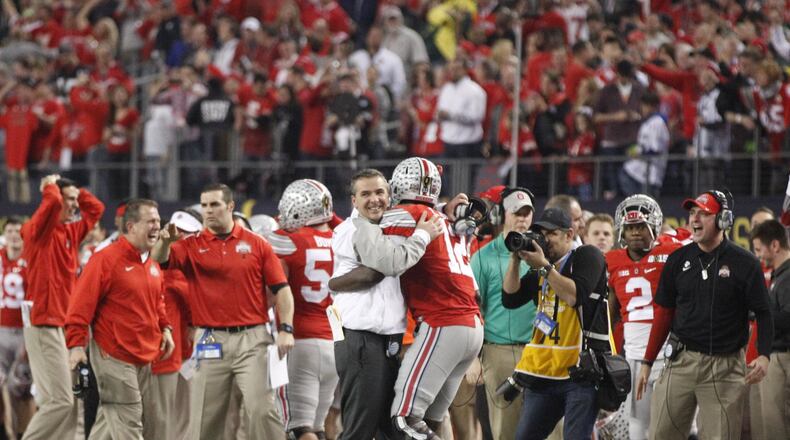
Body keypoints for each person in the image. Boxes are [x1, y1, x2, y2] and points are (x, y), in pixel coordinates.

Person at [152, 183, 295, 439]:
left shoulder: (257, 244)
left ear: (230, 206)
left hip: (252, 340)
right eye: (204, 205)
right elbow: (159, 260)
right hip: (209, 339)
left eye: (215, 204)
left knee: (262, 410)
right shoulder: (190, 246)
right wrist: (164, 242)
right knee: (205, 420)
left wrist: (286, 329)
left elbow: (282, 290)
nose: (208, 210)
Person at [636, 190, 774, 439]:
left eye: (704, 214)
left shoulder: (745, 263)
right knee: (659, 434)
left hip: (725, 366)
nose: (695, 220)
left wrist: (763, 355)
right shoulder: (678, 259)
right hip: (681, 362)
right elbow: (664, 313)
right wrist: (647, 361)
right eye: (692, 213)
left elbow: (764, 313)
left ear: (724, 220)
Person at [327, 168, 441, 440]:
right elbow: (383, 267)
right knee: (359, 429)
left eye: (379, 192)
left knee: (388, 427)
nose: (374, 199)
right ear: (353, 200)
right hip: (360, 339)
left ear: (390, 195)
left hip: (384, 340)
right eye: (365, 194)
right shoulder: (354, 227)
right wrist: (423, 237)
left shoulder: (386, 226)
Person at [379, 158, 484, 439]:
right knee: (430, 422)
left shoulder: (408, 213)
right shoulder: (453, 223)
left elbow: (371, 222)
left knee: (405, 421)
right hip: (471, 327)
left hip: (443, 323)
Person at [65, 199, 175, 439]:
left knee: (110, 421)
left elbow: (157, 301)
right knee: (130, 421)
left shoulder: (150, 262)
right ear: (131, 226)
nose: (157, 226)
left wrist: (165, 328)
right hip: (113, 354)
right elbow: (80, 304)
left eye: (158, 220)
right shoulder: (105, 259)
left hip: (143, 354)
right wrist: (75, 344)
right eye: (151, 221)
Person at [501, 207, 609, 440]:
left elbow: (574, 296)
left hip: (580, 374)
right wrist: (514, 257)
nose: (544, 240)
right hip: (544, 372)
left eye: (550, 234)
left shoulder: (587, 255)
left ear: (569, 235)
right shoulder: (541, 267)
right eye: (539, 233)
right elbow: (510, 298)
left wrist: (545, 267)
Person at [21, 174, 104, 440]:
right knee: (60, 401)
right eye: (66, 200)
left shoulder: (70, 231)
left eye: (74, 200)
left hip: (64, 327)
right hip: (44, 324)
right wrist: (48, 186)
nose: (72, 205)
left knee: (70, 405)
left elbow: (97, 209)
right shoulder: (37, 231)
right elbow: (52, 203)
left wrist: (76, 190)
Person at [266, 179, 339, 440]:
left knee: (299, 427)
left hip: (300, 340)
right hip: (334, 340)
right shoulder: (341, 238)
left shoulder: (290, 242)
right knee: (318, 426)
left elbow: (273, 292)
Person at [606, 195, 680, 440]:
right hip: (635, 355)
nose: (635, 232)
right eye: (630, 228)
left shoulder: (671, 253)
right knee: (638, 423)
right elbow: (610, 313)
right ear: (622, 232)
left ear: (654, 228)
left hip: (671, 351)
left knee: (678, 423)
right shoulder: (612, 261)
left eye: (640, 226)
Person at [470, 187, 536, 440]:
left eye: (527, 213)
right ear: (501, 215)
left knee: (553, 430)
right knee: (506, 430)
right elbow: (472, 309)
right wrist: (474, 357)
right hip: (500, 351)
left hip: (541, 350)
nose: (522, 219)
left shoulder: (541, 252)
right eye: (516, 213)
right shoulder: (483, 257)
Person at [147, 208, 204, 440]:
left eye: (184, 232)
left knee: (186, 416)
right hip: (160, 352)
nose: (177, 236)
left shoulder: (196, 264)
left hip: (187, 351)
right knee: (159, 417)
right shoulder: (152, 261)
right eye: (174, 230)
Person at [750, 219, 790, 439]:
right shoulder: (780, 274)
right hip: (778, 358)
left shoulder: (788, 276)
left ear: (775, 246)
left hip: (783, 359)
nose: (758, 256)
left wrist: (760, 313)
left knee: (777, 429)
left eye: (759, 249)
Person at [0, 217, 35, 438]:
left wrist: (30, 337)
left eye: (18, 230)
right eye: (10, 230)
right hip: (1, 329)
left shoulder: (30, 259)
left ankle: (27, 433)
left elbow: (33, 300)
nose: (14, 234)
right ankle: (7, 432)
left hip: (23, 331)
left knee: (24, 388)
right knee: (2, 383)